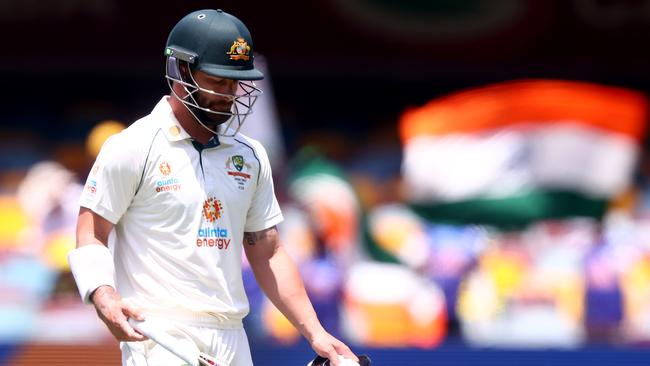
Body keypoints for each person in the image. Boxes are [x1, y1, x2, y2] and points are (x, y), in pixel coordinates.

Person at [67, 9, 358, 366]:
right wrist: (103, 295)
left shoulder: (250, 157)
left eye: (235, 83)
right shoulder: (132, 147)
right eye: (218, 81)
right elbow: (91, 232)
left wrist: (316, 333)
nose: (229, 94)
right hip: (160, 335)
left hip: (233, 336)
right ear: (180, 71)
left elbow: (267, 251)